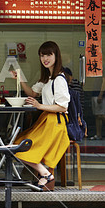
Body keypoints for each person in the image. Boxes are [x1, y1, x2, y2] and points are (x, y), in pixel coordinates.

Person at [11, 41, 70, 191]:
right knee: (18, 145)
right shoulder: (47, 79)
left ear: (56, 56)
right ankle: (45, 174)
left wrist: (39, 106)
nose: (45, 58)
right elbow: (32, 93)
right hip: (47, 121)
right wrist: (20, 78)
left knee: (19, 146)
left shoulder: (59, 79)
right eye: (42, 55)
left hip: (55, 123)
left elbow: (63, 107)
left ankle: (45, 175)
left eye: (49, 54)